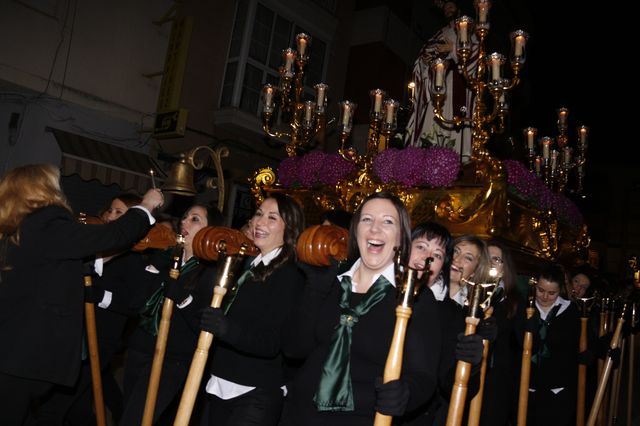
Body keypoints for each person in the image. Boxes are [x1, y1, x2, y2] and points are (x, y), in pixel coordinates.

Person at [0, 163, 163, 425]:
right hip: (24, 355)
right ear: (41, 189)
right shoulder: (46, 221)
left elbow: (58, 267)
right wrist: (145, 207)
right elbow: (112, 234)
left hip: (13, 351)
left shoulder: (16, 228)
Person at [282, 192, 441, 425]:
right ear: (356, 231)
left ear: (401, 237)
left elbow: (423, 375)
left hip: (364, 418)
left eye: (388, 221)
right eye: (367, 219)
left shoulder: (413, 294)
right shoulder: (330, 279)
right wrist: (314, 289)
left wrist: (406, 393)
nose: (375, 229)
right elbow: (294, 349)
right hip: (299, 413)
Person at [198, 193, 306, 425]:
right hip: (220, 382)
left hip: (254, 394)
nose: (259, 222)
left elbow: (272, 343)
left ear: (289, 229)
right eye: (258, 214)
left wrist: (226, 328)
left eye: (272, 218)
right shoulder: (247, 266)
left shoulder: (289, 275)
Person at [119, 204, 224, 425]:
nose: (184, 222)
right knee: (127, 415)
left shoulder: (211, 273)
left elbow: (203, 325)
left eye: (195, 219)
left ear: (211, 230)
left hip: (172, 359)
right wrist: (154, 268)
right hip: (140, 349)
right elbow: (135, 303)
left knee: (136, 420)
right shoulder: (167, 259)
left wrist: (182, 298)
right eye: (185, 217)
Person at [405, 0, 479, 162]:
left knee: (458, 114)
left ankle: (455, 157)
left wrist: (451, 50)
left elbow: (474, 52)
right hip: (440, 81)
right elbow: (427, 53)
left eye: (451, 6)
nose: (448, 10)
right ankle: (429, 153)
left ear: (459, 8)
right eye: (445, 8)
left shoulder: (468, 30)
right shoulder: (440, 33)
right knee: (433, 112)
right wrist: (428, 62)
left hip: (459, 80)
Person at [523, 264, 579, 426]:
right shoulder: (526, 308)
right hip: (528, 388)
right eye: (541, 290)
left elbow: (579, 346)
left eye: (551, 293)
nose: (545, 297)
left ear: (560, 290)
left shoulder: (571, 312)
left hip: (558, 390)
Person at [480, 240, 523, 426]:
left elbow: (521, 343)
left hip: (497, 378)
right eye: (487, 259)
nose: (492, 263)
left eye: (497, 259)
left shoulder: (513, 301)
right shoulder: (470, 292)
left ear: (505, 268)